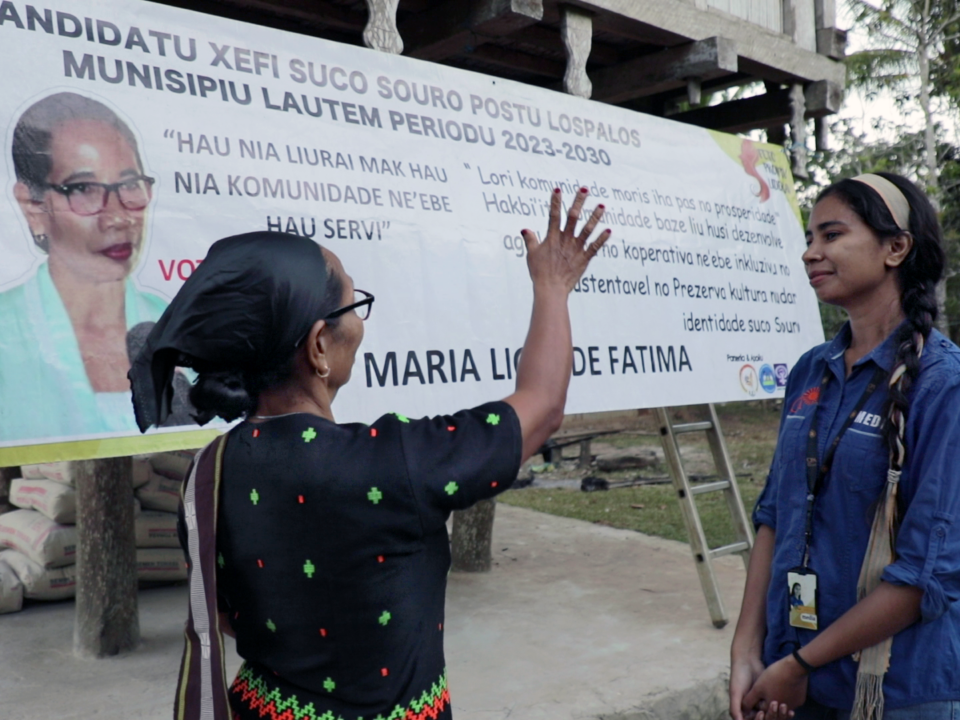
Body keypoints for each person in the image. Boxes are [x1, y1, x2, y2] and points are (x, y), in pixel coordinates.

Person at [128, 189, 611, 720]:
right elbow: (542, 406)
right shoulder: (395, 461)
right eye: (354, 305)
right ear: (318, 345)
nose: (360, 322)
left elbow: (225, 617)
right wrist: (552, 287)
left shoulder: (207, 474)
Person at [729, 172, 960, 720]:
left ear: (895, 248)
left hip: (895, 690)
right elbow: (775, 514)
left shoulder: (942, 385)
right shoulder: (811, 370)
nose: (811, 253)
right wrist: (748, 649)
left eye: (831, 235)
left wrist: (801, 665)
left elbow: (926, 574)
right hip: (793, 676)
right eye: (809, 238)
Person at [0, 91, 168, 442]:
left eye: (130, 184)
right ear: (33, 206)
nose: (117, 217)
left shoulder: (176, 324)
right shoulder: (7, 330)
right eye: (83, 189)